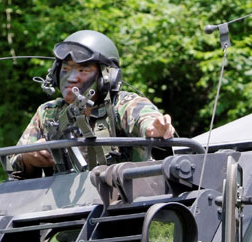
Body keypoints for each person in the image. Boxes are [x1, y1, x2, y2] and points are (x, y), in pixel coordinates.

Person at [10, 30, 175, 178]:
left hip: (123, 201)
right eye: (66, 69)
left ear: (106, 77)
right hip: (63, 206)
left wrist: (155, 129)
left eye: (83, 70)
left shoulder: (123, 104)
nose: (71, 78)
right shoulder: (48, 112)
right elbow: (12, 166)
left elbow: (146, 118)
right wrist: (28, 158)